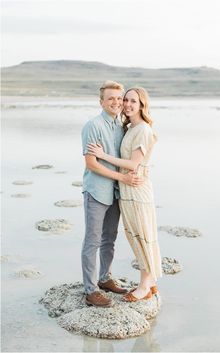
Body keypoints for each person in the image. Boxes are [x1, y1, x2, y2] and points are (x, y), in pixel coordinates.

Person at [88, 87, 162, 302]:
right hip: (127, 189)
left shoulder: (143, 130)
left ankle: (144, 287)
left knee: (143, 236)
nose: (127, 105)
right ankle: (150, 283)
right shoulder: (130, 127)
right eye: (126, 100)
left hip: (137, 189)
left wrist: (103, 155)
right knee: (135, 236)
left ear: (142, 105)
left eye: (133, 101)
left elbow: (133, 164)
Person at [81, 81, 143, 308]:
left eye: (120, 98)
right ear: (101, 102)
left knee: (110, 240)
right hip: (97, 192)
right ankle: (90, 291)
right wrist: (123, 178)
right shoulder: (93, 126)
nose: (117, 102)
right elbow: (91, 164)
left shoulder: (121, 126)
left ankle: (105, 278)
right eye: (111, 99)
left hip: (115, 193)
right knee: (92, 241)